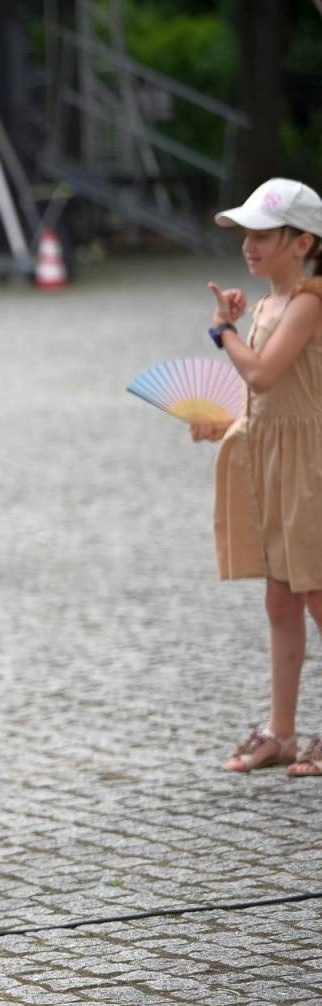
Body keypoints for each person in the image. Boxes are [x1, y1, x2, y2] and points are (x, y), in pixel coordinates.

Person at [190, 177, 322, 777]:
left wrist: (222, 334)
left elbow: (265, 374)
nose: (250, 244)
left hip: (311, 463)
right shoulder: (268, 305)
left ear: (303, 242)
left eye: (264, 234)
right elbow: (261, 397)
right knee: (281, 596)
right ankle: (283, 731)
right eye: (246, 233)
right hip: (274, 460)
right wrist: (225, 422)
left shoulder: (309, 303)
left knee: (317, 591)